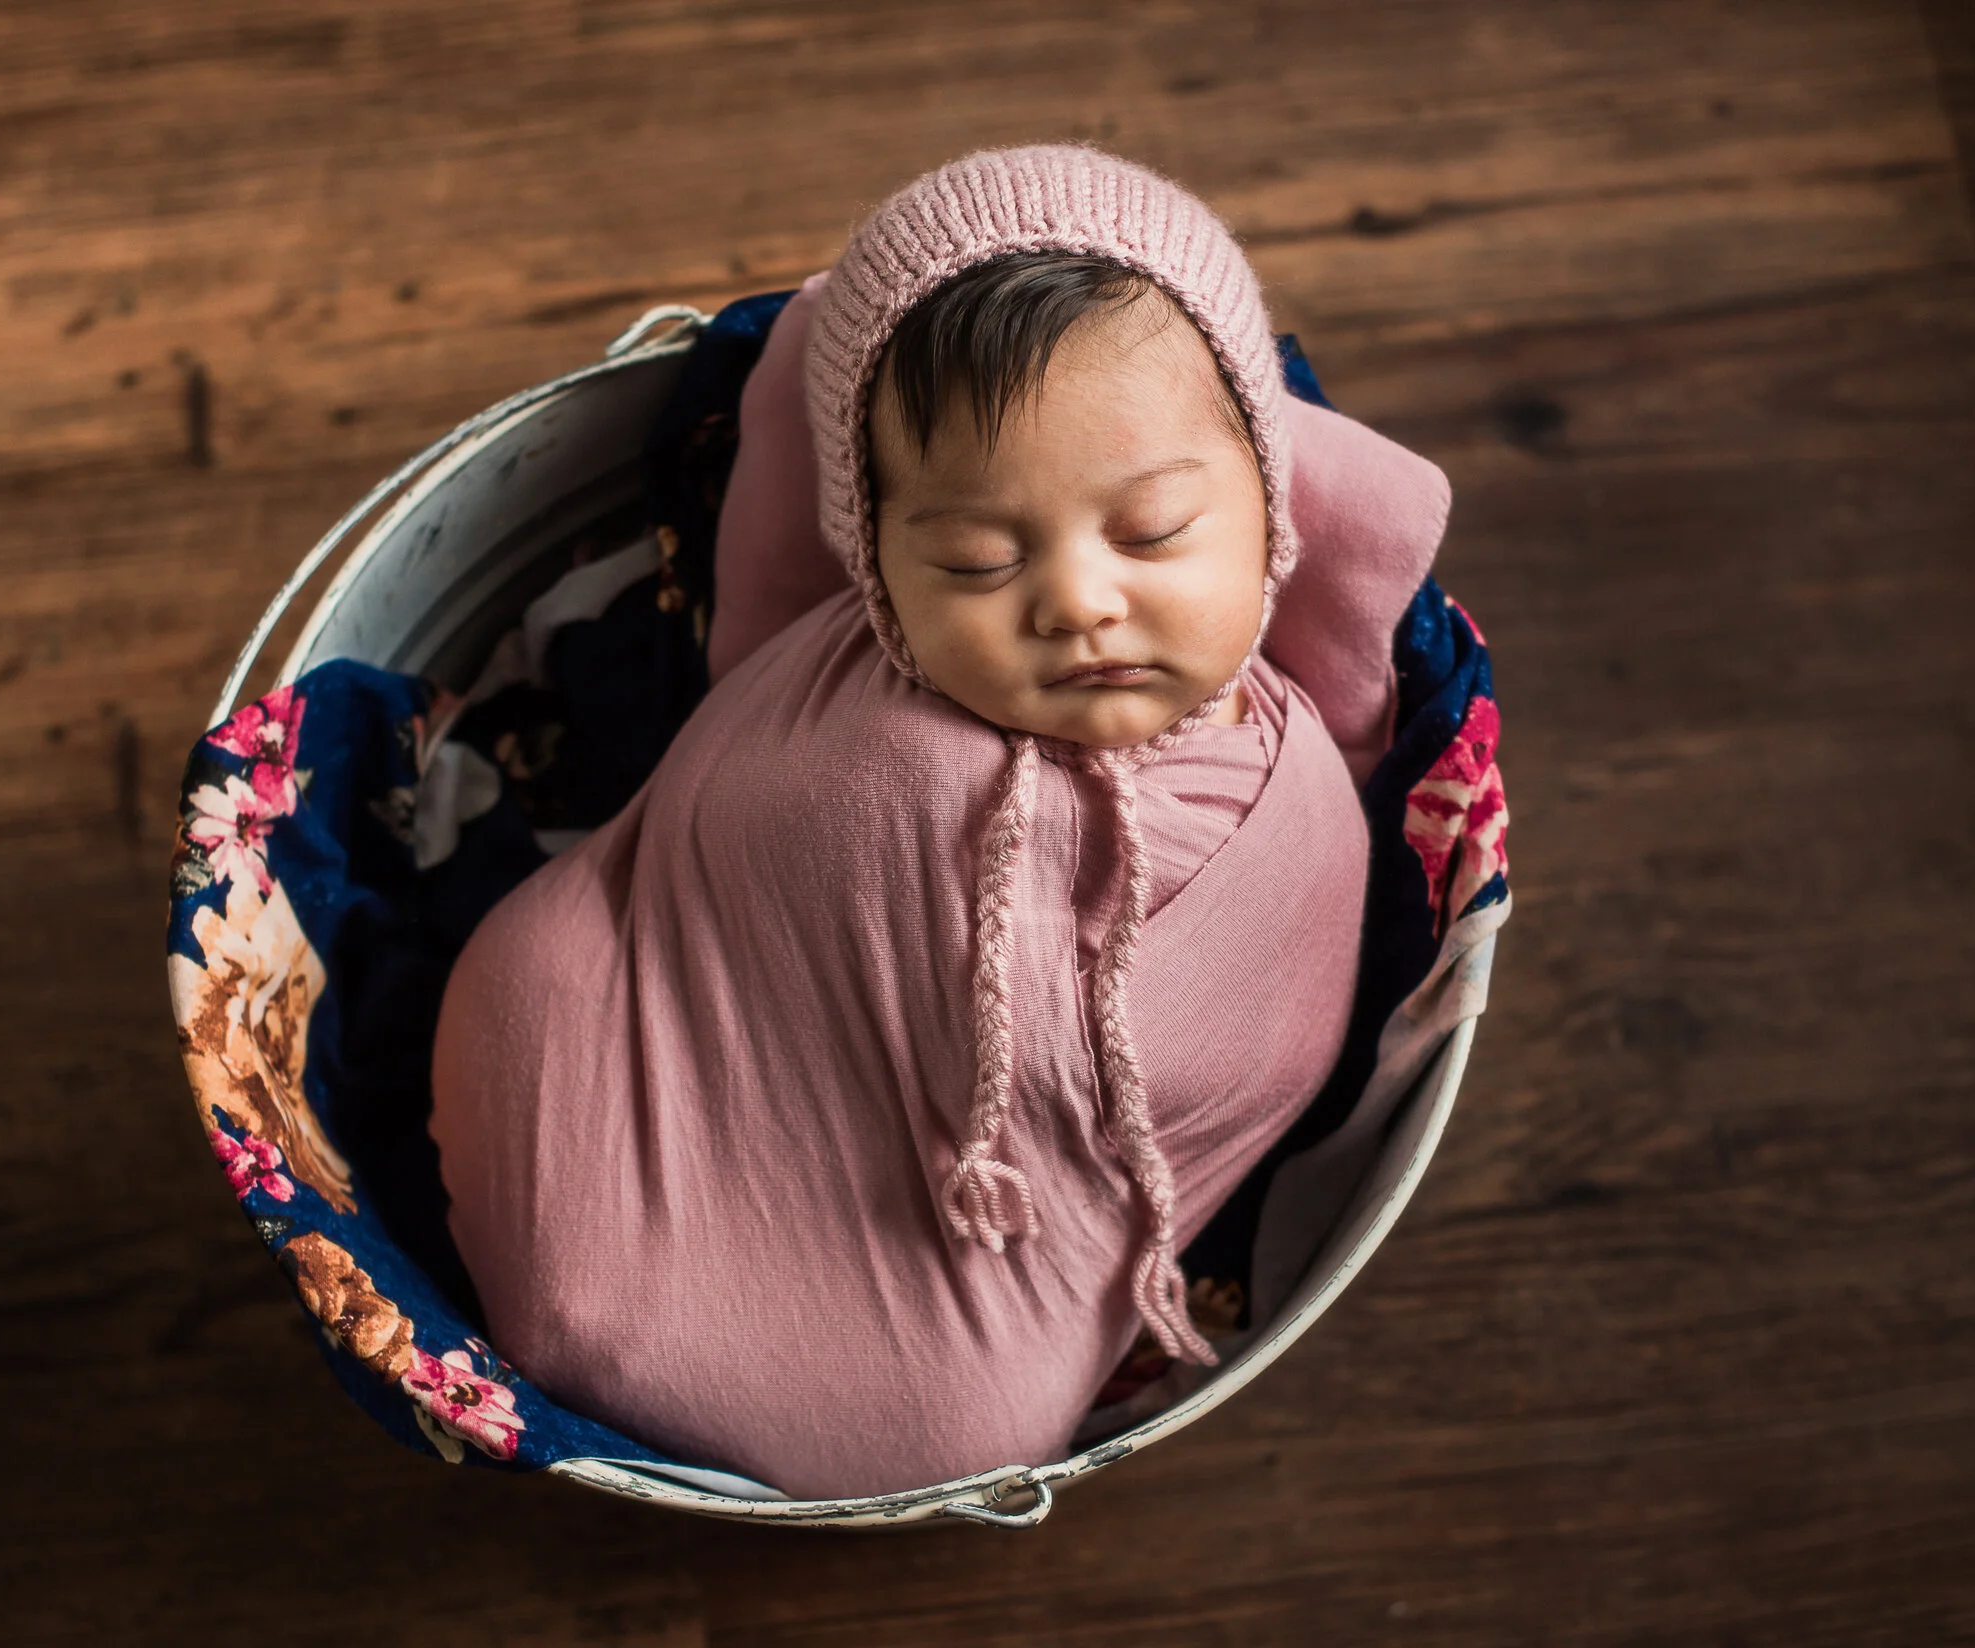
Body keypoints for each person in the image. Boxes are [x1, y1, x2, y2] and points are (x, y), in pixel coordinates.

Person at [428, 144, 1450, 1499]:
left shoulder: (1285, 803)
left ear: (1270, 508)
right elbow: (710, 855)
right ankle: (573, 1296)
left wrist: (1054, 1059)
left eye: (1149, 533)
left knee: (967, 1419)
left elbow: (1260, 1056)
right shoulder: (837, 674)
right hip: (659, 1031)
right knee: (541, 969)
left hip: (976, 1246)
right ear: (875, 562)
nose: (1078, 601)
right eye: (976, 560)